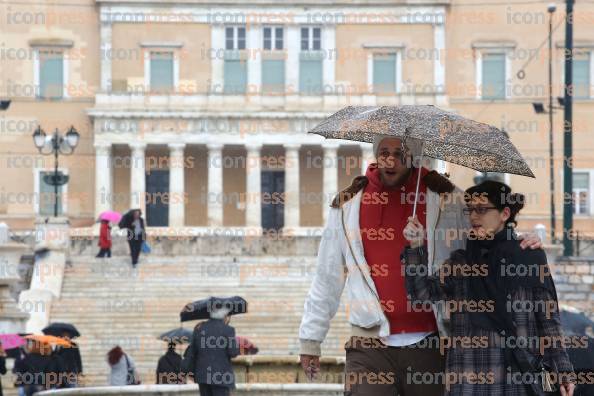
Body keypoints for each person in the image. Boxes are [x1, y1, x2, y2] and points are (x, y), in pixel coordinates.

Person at [298, 135, 543, 396]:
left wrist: (517, 241)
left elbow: (485, 233)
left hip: (432, 342)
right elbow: (327, 276)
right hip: (369, 343)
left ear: (412, 158)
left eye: (400, 154)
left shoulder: (446, 199)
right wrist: (311, 339)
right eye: (384, 152)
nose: (390, 160)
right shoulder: (347, 205)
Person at [402, 180, 576, 396]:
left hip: (514, 378)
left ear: (504, 214)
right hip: (467, 379)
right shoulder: (460, 262)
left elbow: (548, 319)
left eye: (482, 209)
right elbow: (421, 295)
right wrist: (416, 247)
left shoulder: (529, 257)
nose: (474, 216)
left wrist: (563, 370)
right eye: (470, 210)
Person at [184, 307, 240, 396]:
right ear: (224, 316)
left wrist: (186, 370)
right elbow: (233, 353)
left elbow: (191, 353)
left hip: (203, 376)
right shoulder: (228, 330)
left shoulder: (199, 329)